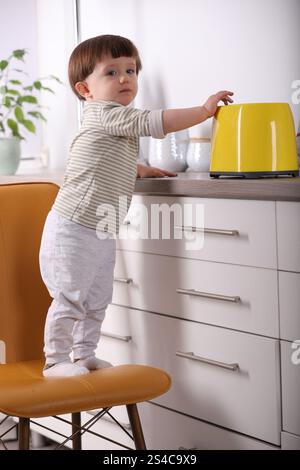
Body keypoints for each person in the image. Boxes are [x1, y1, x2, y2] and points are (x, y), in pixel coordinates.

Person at [39, 34, 233, 377]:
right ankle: (55, 359)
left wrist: (140, 169)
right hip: (73, 227)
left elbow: (105, 156)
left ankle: (84, 354)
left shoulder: (114, 123)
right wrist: (203, 112)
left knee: (98, 298)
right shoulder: (105, 113)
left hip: (99, 228)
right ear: (86, 90)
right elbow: (154, 122)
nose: (125, 78)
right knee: (70, 299)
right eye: (111, 73)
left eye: (130, 70)